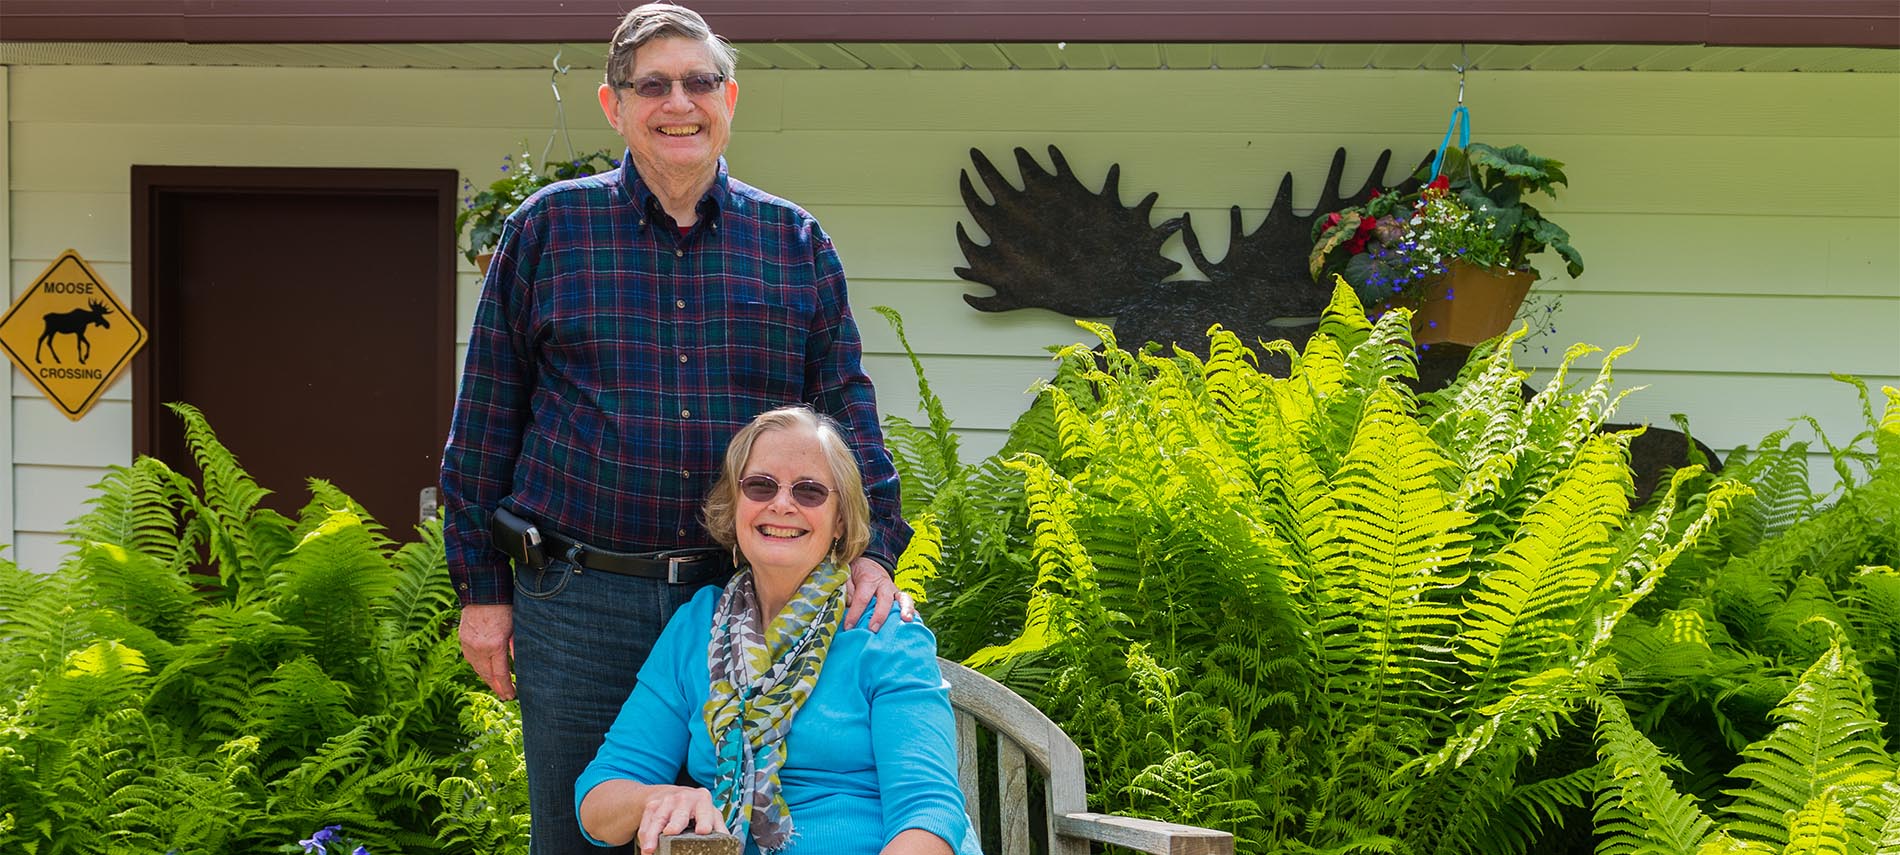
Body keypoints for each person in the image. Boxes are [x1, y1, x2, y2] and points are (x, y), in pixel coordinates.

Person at [438, 4, 913, 853]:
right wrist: (481, 594)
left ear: (729, 97)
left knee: (736, 837)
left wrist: (876, 551)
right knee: (584, 835)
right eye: (651, 85)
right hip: (578, 597)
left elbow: (847, 412)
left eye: (698, 81)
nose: (678, 102)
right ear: (612, 105)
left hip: (746, 599)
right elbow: (482, 428)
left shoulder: (794, 243)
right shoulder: (547, 231)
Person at [576, 407, 978, 855]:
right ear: (735, 504)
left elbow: (928, 814)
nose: (781, 504)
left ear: (840, 520)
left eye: (808, 491)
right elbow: (598, 800)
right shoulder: (696, 628)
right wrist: (656, 797)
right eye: (760, 485)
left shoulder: (886, 634)